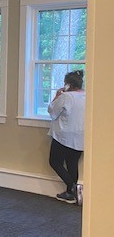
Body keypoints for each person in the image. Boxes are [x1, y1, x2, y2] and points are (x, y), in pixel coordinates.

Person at [48, 69, 86, 204]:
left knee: (54, 161)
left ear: (68, 84)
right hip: (81, 135)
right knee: (72, 163)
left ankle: (73, 188)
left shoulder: (66, 97)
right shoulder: (88, 96)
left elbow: (52, 111)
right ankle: (71, 193)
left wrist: (57, 96)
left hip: (63, 136)